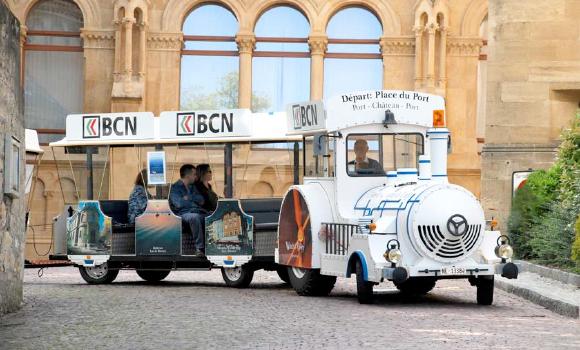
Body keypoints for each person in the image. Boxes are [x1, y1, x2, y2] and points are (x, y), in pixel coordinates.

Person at [169, 164, 207, 256]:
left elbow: (201, 200)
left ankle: (215, 245)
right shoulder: (175, 187)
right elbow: (179, 204)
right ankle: (200, 248)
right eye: (194, 174)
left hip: (197, 211)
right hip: (182, 214)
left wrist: (189, 197)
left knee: (213, 216)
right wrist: (193, 202)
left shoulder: (192, 187)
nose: (196, 177)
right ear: (187, 175)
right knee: (194, 218)